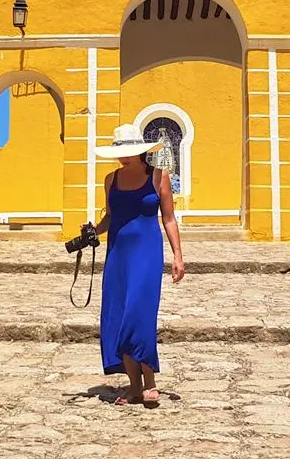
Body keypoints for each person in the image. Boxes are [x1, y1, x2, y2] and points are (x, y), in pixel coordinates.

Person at [91, 123, 185, 406]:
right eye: (120, 153)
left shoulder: (158, 177)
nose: (124, 157)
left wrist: (178, 256)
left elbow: (168, 218)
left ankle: (151, 382)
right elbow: (109, 217)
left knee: (139, 314)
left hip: (147, 252)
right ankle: (134, 386)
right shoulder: (111, 179)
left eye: (129, 152)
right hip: (118, 254)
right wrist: (93, 231)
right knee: (118, 315)